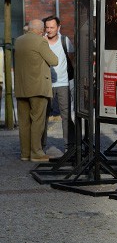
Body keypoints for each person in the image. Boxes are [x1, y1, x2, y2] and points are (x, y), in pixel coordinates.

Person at [14, 19, 58, 162]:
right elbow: (54, 60)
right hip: (38, 88)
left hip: (21, 88)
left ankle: (25, 153)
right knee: (37, 122)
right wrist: (44, 42)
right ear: (40, 30)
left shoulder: (18, 41)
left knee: (24, 123)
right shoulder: (41, 41)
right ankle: (36, 153)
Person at [44, 15, 75, 153]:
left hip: (63, 83)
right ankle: (41, 146)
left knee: (66, 116)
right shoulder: (41, 41)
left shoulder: (65, 41)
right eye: (47, 27)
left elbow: (71, 58)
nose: (49, 30)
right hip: (45, 84)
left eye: (52, 27)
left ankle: (70, 146)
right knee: (43, 116)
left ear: (58, 27)